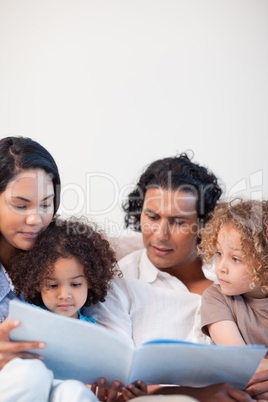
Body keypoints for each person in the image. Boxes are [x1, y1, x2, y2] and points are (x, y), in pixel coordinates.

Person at [84, 154, 260, 401]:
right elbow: (118, 378)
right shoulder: (119, 282)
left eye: (178, 222)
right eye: (152, 217)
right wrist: (195, 393)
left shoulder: (238, 269)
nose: (160, 234)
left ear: (203, 224)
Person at [8, 217, 147, 402]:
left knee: (75, 392)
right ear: (36, 283)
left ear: (90, 282)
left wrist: (126, 395)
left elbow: (105, 386)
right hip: (32, 389)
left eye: (75, 284)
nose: (64, 294)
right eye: (52, 285)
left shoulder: (98, 334)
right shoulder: (25, 322)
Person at [198, 199, 268, 347]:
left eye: (236, 259)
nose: (221, 267)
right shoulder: (215, 298)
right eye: (219, 254)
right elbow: (241, 360)